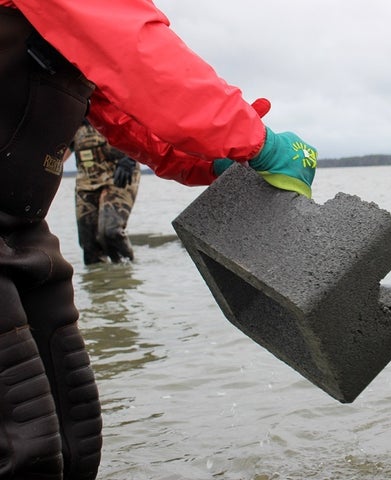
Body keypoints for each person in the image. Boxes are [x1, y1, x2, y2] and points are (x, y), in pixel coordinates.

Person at [0, 1, 317, 479]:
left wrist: (212, 163)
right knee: (21, 443)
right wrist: (256, 140)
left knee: (71, 439)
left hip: (23, 236)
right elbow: (133, 48)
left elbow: (120, 105)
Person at [70, 120, 142, 265]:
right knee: (89, 244)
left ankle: (126, 273)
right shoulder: (67, 109)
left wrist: (131, 157)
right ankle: (100, 282)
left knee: (111, 232)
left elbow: (138, 122)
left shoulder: (110, 99)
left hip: (119, 172)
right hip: (86, 178)